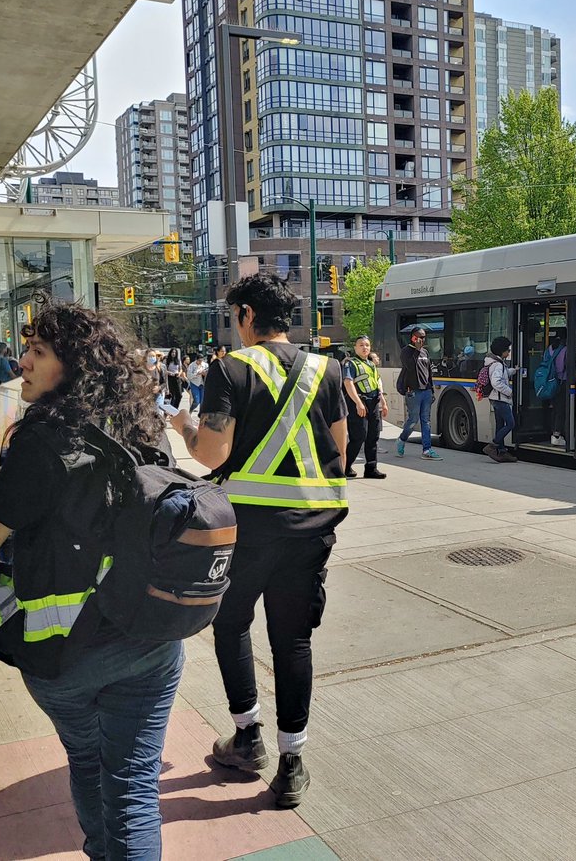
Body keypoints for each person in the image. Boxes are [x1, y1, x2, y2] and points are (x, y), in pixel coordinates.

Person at [0, 302, 184, 860]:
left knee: (88, 763)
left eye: (37, 352)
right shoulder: (142, 427)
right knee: (133, 785)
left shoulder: (40, 444)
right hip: (148, 639)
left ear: (74, 365)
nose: (22, 363)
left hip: (63, 654)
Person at [169, 273, 348, 810]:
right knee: (293, 640)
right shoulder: (327, 369)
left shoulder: (229, 369)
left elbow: (212, 454)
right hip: (311, 529)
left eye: (235, 317)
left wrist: (184, 428)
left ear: (246, 315)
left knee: (231, 625)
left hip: (245, 532)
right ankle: (292, 763)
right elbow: (340, 449)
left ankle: (248, 737)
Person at [342, 335, 388, 479]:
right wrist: (358, 403)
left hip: (373, 403)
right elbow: (348, 383)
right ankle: (345, 466)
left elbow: (376, 384)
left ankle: (371, 468)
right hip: (358, 403)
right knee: (359, 436)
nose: (364, 348)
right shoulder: (351, 364)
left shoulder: (371, 364)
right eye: (361, 345)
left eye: (367, 345)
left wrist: (383, 402)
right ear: (355, 348)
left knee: (373, 436)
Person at [396, 327, 441, 460]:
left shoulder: (425, 352)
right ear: (413, 337)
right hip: (413, 392)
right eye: (419, 337)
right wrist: (416, 350)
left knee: (426, 421)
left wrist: (431, 390)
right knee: (413, 419)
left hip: (426, 390)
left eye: (423, 337)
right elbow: (410, 366)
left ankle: (427, 450)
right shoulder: (406, 351)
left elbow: (428, 372)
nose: (422, 339)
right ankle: (402, 439)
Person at [482, 337, 517, 463]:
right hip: (500, 399)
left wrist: (514, 370)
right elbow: (496, 382)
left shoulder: (494, 362)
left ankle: (501, 451)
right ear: (502, 351)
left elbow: (504, 374)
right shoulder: (498, 364)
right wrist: (509, 392)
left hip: (495, 399)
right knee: (511, 423)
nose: (509, 352)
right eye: (508, 350)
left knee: (500, 424)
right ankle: (493, 445)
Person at [545, 334, 569, 447]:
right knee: (561, 409)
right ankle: (557, 434)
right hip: (561, 382)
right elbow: (564, 367)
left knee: (554, 408)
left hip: (549, 382)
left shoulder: (549, 349)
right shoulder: (565, 350)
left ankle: (552, 432)